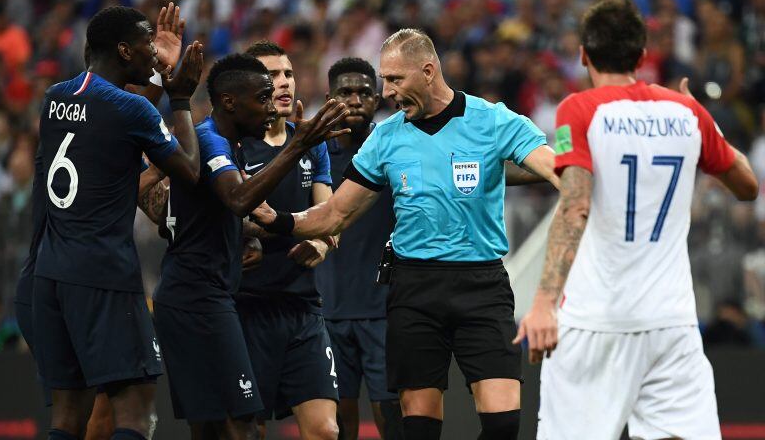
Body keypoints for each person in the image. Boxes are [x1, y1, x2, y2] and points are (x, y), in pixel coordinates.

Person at [253, 28, 559, 440]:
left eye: (395, 80)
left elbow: (553, 168)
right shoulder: (386, 137)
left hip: (482, 285)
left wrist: (580, 183)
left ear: (428, 71)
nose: (388, 92)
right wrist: (279, 220)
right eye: (385, 80)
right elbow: (336, 212)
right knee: (416, 428)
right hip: (414, 288)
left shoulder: (493, 120)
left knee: (504, 424)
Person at [515, 0, 759, 440]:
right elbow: (747, 186)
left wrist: (543, 302)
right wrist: (707, 124)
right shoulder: (686, 112)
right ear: (642, 56)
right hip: (672, 322)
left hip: (596, 321)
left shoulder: (580, 108)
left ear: (584, 54)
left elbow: (575, 205)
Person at [152, 53, 349, 440]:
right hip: (212, 300)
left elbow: (325, 214)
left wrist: (256, 236)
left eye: (288, 75)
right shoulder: (210, 138)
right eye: (264, 90)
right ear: (231, 100)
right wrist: (298, 146)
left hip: (274, 303)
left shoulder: (236, 143)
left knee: (227, 427)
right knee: (234, 426)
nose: (276, 93)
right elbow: (239, 201)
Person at [32, 5, 205, 440]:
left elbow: (118, 126)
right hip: (104, 272)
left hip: (51, 273)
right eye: (148, 44)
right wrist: (179, 95)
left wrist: (153, 78)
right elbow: (189, 169)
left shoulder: (55, 98)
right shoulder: (131, 111)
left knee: (67, 417)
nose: (154, 51)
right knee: (136, 411)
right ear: (125, 50)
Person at [234, 40, 340, 440]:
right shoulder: (233, 145)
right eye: (271, 76)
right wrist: (308, 227)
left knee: (326, 431)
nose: (283, 84)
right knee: (249, 431)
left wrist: (323, 241)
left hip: (302, 308)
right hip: (247, 308)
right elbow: (240, 216)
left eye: (288, 74)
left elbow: (329, 214)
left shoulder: (311, 141)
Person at [315, 57, 402, 440]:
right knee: (339, 420)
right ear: (329, 97)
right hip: (327, 310)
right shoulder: (312, 155)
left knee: (391, 414)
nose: (354, 100)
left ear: (378, 98)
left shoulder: (394, 150)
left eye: (364, 93)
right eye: (344, 92)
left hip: (382, 309)